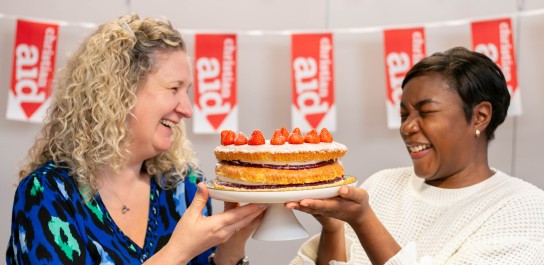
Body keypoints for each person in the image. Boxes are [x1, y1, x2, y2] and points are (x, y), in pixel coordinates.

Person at [6, 14, 266, 265]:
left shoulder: (183, 187)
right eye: (173, 88)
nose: (187, 109)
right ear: (120, 93)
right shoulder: (48, 193)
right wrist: (177, 252)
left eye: (186, 91)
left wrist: (230, 251)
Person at [287, 46, 544, 265]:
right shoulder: (382, 184)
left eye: (427, 112)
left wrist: (364, 221)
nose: (407, 127)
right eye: (404, 114)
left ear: (480, 116)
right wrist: (333, 229)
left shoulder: (523, 207)